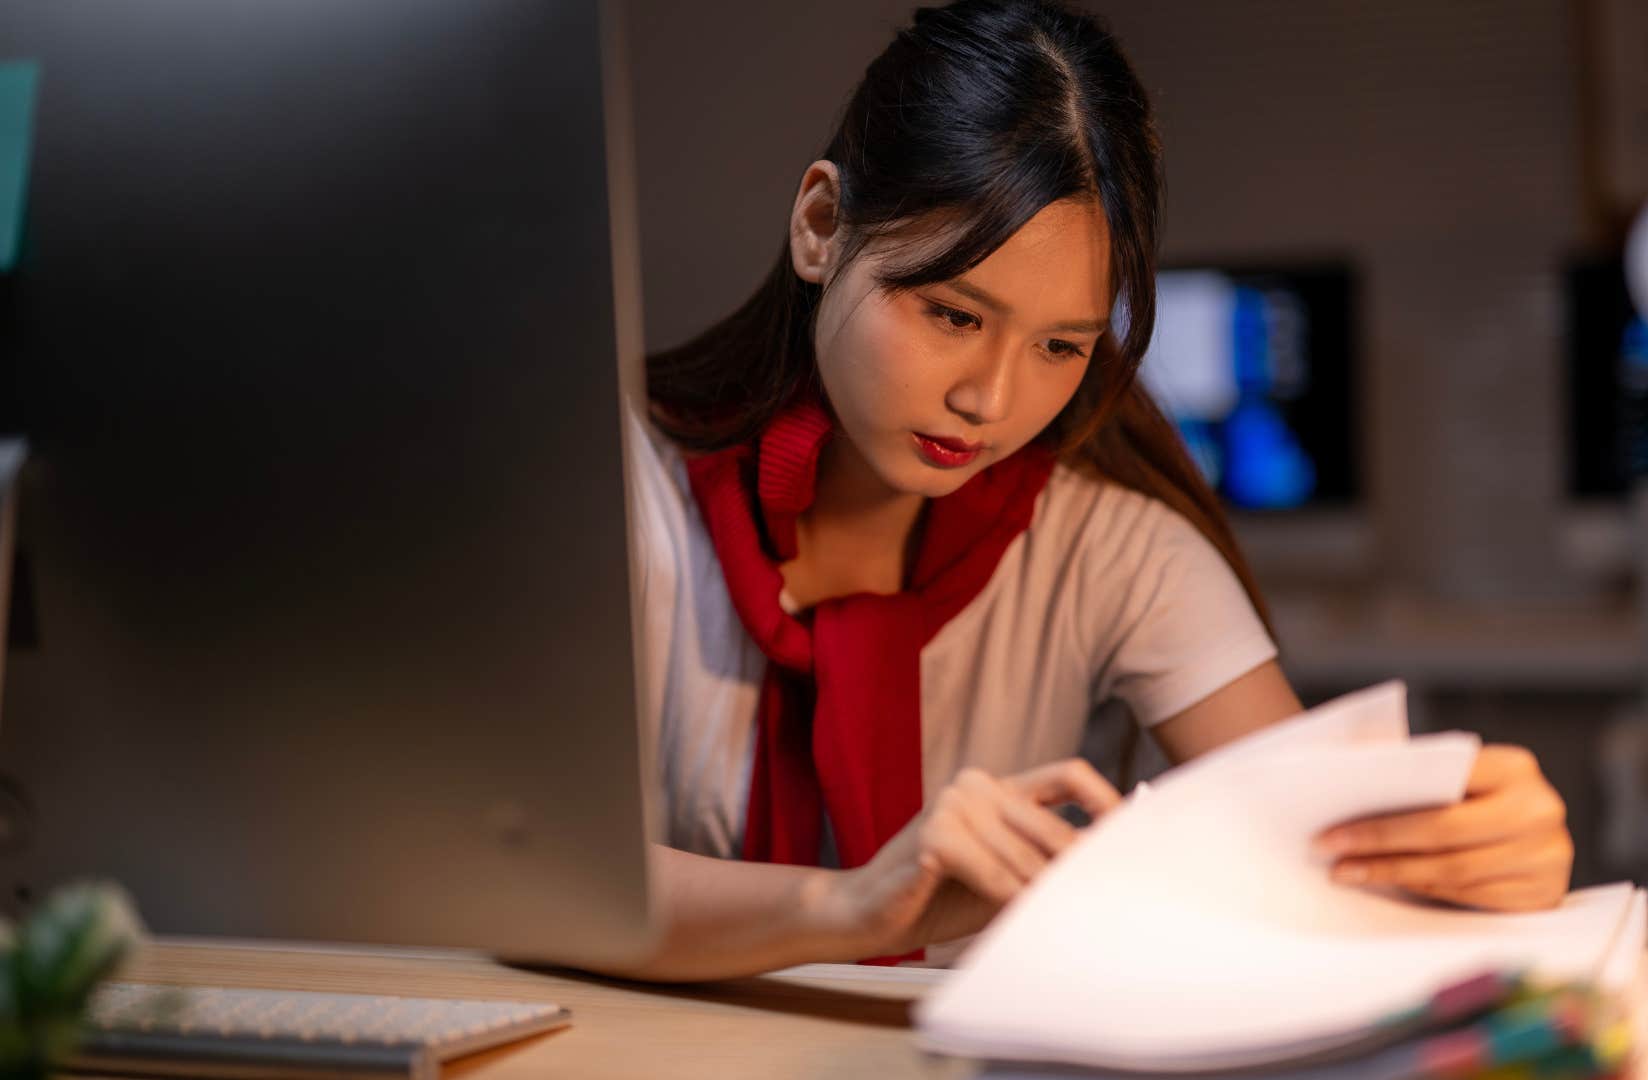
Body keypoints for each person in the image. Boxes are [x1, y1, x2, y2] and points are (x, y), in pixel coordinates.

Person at [625, 0, 1572, 981]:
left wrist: (1484, 853)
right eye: (952, 312)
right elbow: (521, 885)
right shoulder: (630, 502)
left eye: (1060, 346)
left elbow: (1335, 853)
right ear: (822, 226)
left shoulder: (1111, 547)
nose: (988, 399)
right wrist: (851, 904)